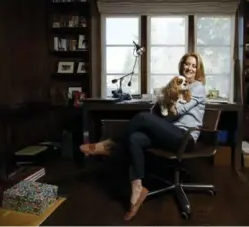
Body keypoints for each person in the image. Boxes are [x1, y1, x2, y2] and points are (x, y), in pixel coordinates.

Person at [80, 52, 207, 221]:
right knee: (135, 138)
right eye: (187, 64)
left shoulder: (198, 87)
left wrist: (168, 100)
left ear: (198, 70)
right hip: (169, 133)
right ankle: (138, 188)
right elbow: (163, 114)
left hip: (185, 137)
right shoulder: (176, 85)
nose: (189, 68)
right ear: (182, 65)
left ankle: (111, 145)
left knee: (142, 117)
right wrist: (163, 100)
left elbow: (177, 111)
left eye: (193, 65)